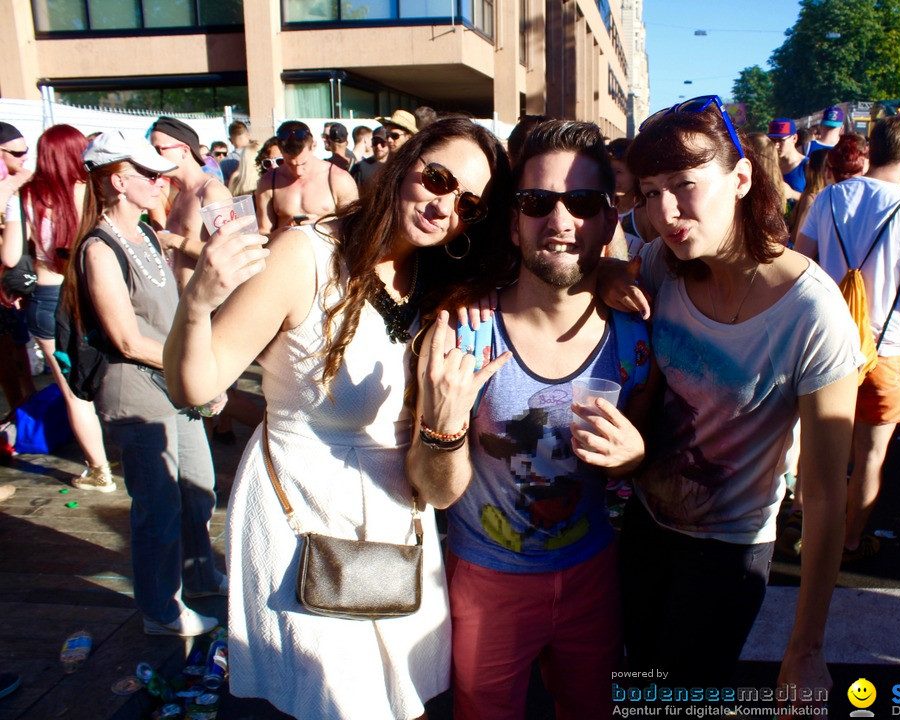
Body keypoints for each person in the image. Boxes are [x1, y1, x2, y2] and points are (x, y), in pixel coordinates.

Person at [163, 118, 514, 720]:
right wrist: (197, 301)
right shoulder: (306, 256)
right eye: (438, 179)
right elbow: (194, 384)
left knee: (391, 698)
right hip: (299, 517)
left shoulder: (448, 288)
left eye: (469, 204)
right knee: (319, 698)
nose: (444, 206)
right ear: (405, 163)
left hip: (399, 528)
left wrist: (613, 275)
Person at [606, 95, 860, 705]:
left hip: (727, 551)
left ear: (741, 178)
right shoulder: (663, 267)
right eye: (648, 191)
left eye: (685, 185)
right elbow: (606, 259)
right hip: (645, 523)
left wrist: (805, 651)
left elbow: (825, 495)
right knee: (637, 688)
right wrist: (606, 276)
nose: (665, 211)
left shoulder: (812, 313)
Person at [408, 120, 652, 719]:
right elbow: (427, 485)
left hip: (592, 573)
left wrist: (638, 458)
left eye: (583, 203)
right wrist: (442, 426)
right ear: (513, 223)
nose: (561, 221)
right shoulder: (462, 332)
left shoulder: (636, 338)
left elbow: (654, 450)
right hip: (486, 581)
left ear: (608, 222)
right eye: (537, 202)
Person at [70, 130, 225, 636]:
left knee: (198, 486)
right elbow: (127, 338)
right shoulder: (100, 247)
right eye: (149, 174)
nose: (161, 181)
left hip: (170, 382)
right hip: (135, 390)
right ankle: (161, 610)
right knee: (156, 507)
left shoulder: (147, 234)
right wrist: (194, 368)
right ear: (118, 181)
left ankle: (200, 573)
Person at [794, 115, 900, 563]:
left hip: (825, 344)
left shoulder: (830, 198)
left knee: (818, 448)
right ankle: (849, 541)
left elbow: (800, 265)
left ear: (872, 148)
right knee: (870, 457)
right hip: (887, 349)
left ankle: (803, 526)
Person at [1, 124, 114, 491]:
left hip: (47, 298)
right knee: (107, 374)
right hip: (92, 291)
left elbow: (9, 254)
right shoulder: (95, 191)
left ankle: (99, 470)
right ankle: (121, 450)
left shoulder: (27, 196)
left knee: (71, 390)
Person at [149, 116, 232, 291]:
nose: (153, 157)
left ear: (184, 151)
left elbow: (229, 252)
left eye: (159, 150)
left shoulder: (211, 191)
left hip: (208, 306)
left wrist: (175, 241)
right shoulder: (181, 195)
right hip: (180, 303)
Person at [254, 121, 358, 234]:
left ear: (313, 146)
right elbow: (264, 232)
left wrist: (322, 222)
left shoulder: (339, 179)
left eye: (303, 163)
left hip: (326, 248)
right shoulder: (269, 182)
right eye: (290, 164)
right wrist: (285, 232)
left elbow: (355, 225)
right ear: (280, 150)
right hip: (286, 248)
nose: (298, 171)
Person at [0, 122, 37, 410]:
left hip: (9, 279)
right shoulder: (11, 182)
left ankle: (27, 402)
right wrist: (13, 184)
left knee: (16, 343)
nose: (25, 157)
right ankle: (16, 409)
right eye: (17, 152)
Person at [769, 117, 808, 194]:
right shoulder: (769, 164)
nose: (776, 145)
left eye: (781, 140)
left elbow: (818, 200)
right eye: (773, 140)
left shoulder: (807, 166)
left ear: (794, 138)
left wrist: (793, 194)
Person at [351, 126, 389, 193]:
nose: (378, 146)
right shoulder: (360, 168)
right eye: (375, 142)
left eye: (383, 143)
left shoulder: (395, 167)